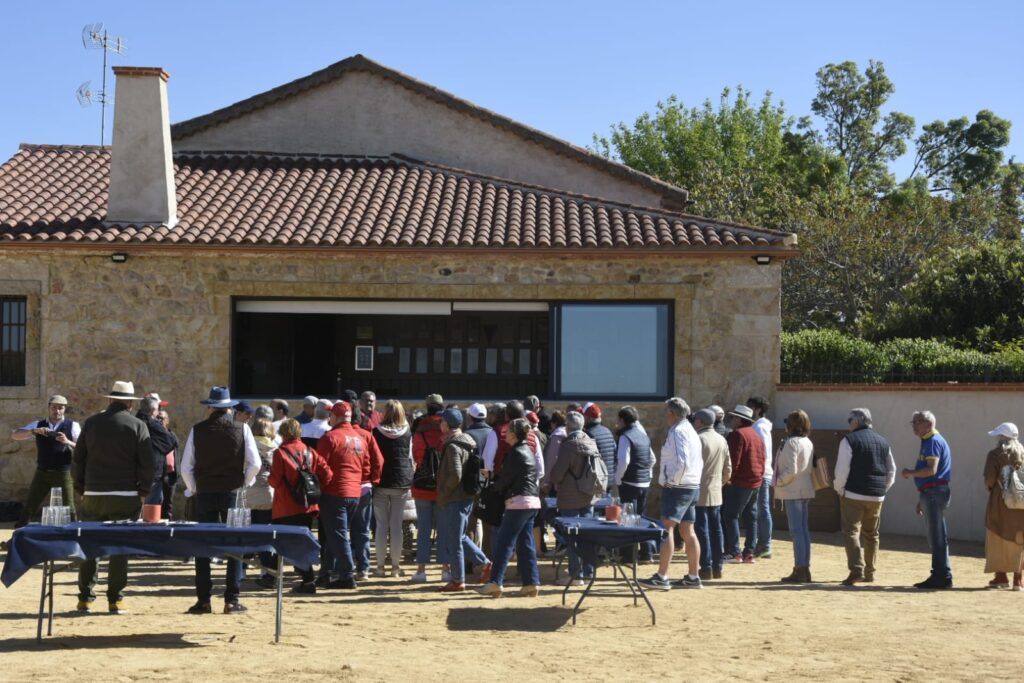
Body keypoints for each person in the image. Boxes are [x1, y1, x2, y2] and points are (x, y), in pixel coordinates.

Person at [72, 381, 153, 614]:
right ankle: (115, 599)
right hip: (125, 494)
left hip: (93, 493)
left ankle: (85, 598)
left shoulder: (91, 423)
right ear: (130, 403)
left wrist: (81, 488)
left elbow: (78, 459)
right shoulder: (138, 425)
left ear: (109, 400)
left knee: (90, 545)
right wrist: (143, 491)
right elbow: (147, 463)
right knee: (119, 547)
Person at [180, 386, 261, 614]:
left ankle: (204, 600)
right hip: (233, 493)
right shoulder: (243, 429)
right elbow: (255, 464)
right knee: (235, 544)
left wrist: (195, 488)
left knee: (203, 545)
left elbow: (186, 467)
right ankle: (231, 600)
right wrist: (244, 483)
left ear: (210, 407)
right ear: (229, 408)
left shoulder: (198, 430)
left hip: (205, 492)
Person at [640, 398, 704, 590]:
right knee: (687, 531)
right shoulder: (690, 430)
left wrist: (672, 481)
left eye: (666, 411)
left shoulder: (678, 431)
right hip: (691, 485)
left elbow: (682, 462)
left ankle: (662, 576)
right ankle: (693, 576)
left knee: (667, 528)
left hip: (679, 487)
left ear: (672, 413)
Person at [477, 418, 541, 598]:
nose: (505, 433)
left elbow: (506, 479)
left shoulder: (515, 452)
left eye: (508, 430)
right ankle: (531, 583)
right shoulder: (527, 450)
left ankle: (495, 582)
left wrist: (492, 486)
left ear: (513, 434)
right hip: (531, 501)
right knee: (525, 544)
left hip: (518, 502)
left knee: (504, 543)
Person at [268, 418, 333, 594]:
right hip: (307, 506)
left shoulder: (280, 453)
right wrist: (316, 488)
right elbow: (328, 473)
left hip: (285, 506)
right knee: (300, 542)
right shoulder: (310, 451)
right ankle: (284, 577)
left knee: (280, 541)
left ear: (283, 433)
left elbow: (274, 481)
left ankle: (301, 579)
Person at [834, 407, 896, 587]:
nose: (848, 424)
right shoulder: (883, 441)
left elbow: (842, 469)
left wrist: (839, 489)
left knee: (851, 532)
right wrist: (883, 489)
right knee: (872, 534)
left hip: (853, 493)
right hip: (877, 496)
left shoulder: (848, 440)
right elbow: (891, 469)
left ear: (856, 421)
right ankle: (870, 572)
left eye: (849, 420)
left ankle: (856, 571)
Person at [316, 401, 372, 589]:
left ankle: (347, 575)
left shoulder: (329, 437)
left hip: (334, 492)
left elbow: (320, 467)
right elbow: (366, 467)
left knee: (338, 535)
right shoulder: (360, 438)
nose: (329, 418)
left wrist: (321, 487)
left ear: (335, 417)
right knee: (336, 534)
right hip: (355, 492)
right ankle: (325, 573)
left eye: (331, 415)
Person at [437, 407, 490, 592]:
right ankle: (485, 563)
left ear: (446, 424)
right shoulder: (467, 440)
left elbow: (455, 475)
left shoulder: (453, 446)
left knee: (455, 541)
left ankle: (458, 580)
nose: (440, 424)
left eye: (442, 421)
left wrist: (443, 493)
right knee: (460, 537)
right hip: (466, 496)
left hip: (455, 498)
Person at [10, 394, 81, 527]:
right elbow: (15, 435)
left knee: (69, 507)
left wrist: (67, 441)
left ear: (64, 409)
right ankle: (18, 534)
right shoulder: (38, 424)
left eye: (60, 408)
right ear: (48, 408)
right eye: (54, 407)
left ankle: (74, 535)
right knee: (30, 505)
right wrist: (33, 431)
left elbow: (83, 447)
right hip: (42, 472)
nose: (57, 411)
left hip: (63, 472)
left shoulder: (73, 425)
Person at [901, 410, 953, 589]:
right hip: (932, 492)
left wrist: (910, 473)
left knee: (936, 536)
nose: (914, 426)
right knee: (938, 535)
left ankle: (940, 576)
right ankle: (942, 575)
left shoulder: (932, 441)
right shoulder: (930, 441)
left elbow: (931, 470)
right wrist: (922, 497)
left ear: (928, 424)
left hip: (933, 492)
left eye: (917, 422)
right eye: (913, 422)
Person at [549, 411, 600, 585]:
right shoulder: (591, 442)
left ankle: (576, 574)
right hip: (589, 493)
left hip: (570, 495)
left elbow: (557, 474)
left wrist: (552, 479)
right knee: (587, 535)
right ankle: (588, 571)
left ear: (568, 427)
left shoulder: (568, 445)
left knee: (572, 536)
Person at [372, 399, 413, 577]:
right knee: (396, 526)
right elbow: (410, 457)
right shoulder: (408, 432)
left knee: (381, 526)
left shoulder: (375, 432)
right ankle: (395, 567)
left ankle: (380, 567)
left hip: (381, 482)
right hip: (401, 482)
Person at [774, 409, 815, 583]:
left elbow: (791, 470)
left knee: (797, 532)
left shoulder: (791, 443)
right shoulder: (807, 441)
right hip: (804, 488)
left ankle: (800, 568)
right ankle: (804, 568)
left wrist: (778, 481)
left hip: (793, 490)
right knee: (803, 531)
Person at [721, 405, 766, 564]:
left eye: (734, 417)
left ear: (739, 419)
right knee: (750, 517)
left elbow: (734, 460)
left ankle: (734, 552)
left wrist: (728, 479)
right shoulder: (756, 435)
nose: (732, 420)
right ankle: (749, 552)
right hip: (755, 481)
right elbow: (762, 458)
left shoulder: (738, 434)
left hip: (741, 481)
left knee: (730, 515)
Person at [982, 422, 1024, 591]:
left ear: (1002, 437)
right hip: (1022, 503)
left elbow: (989, 479)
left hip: (1001, 502)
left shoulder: (995, 454)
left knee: (997, 535)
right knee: (1020, 538)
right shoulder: (1023, 453)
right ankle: (1018, 580)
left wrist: (993, 489)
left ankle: (1001, 577)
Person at [692, 408, 731, 581]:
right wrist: (719, 483)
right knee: (716, 530)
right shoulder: (722, 439)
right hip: (715, 489)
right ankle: (718, 567)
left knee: (702, 530)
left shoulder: (698, 439)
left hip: (699, 488)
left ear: (700, 421)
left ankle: (706, 567)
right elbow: (728, 468)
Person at [411, 394, 446, 582]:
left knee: (423, 529)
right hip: (443, 486)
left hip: (422, 485)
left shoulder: (419, 429)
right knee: (443, 529)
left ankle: (421, 570)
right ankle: (445, 569)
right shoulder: (447, 428)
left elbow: (416, 456)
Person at [614, 405, 656, 562]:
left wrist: (618, 478)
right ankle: (647, 553)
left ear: (622, 420)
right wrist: (645, 473)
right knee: (641, 517)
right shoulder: (643, 435)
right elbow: (652, 459)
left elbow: (624, 461)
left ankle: (628, 555)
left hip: (629, 483)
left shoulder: (625, 436)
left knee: (628, 519)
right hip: (644, 482)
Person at [249, 416, 277, 589]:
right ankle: (266, 572)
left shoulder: (247, 445)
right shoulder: (275, 447)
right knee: (266, 533)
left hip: (247, 493)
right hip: (268, 493)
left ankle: (241, 570)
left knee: (245, 533)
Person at [134, 396, 177, 511]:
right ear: (153, 410)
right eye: (158, 410)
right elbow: (171, 442)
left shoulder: (133, 422)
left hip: (133, 473)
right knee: (151, 511)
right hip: (153, 474)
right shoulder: (153, 425)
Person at [745, 396, 773, 559]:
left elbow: (764, 452)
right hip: (762, 472)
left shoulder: (760, 427)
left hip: (761, 473)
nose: (748, 410)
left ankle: (765, 545)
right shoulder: (759, 426)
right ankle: (762, 544)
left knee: (761, 509)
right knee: (760, 509)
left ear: (758, 409)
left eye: (750, 407)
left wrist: (758, 471)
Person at [583, 404, 616, 493]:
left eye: (584, 416)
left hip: (596, 482)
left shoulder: (588, 434)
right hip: (609, 480)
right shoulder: (608, 431)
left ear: (589, 418)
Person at [156, 407, 180, 519]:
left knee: (168, 506)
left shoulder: (172, 435)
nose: (160, 420)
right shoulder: (153, 435)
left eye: (162, 418)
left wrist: (177, 473)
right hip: (157, 476)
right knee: (155, 505)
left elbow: (176, 454)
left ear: (167, 420)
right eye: (157, 418)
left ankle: (167, 526)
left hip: (169, 476)